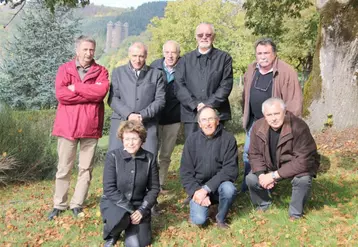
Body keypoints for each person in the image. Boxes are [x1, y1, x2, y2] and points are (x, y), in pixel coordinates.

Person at [48, 35, 109, 220]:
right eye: (85, 49)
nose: (88, 53)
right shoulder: (64, 69)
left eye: (91, 49)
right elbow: (61, 95)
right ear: (77, 50)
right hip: (67, 127)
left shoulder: (101, 71)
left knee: (85, 168)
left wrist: (76, 88)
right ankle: (59, 204)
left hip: (90, 126)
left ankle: (77, 203)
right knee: (63, 168)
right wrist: (87, 92)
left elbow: (100, 93)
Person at [241, 38, 303, 192]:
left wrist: (286, 125)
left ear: (274, 54)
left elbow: (294, 102)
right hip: (254, 121)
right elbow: (245, 96)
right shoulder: (251, 69)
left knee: (269, 155)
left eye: (266, 53)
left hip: (275, 122)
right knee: (249, 153)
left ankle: (269, 185)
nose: (263, 56)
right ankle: (249, 185)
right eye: (259, 53)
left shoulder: (286, 71)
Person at [246, 98, 320, 220]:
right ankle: (263, 204)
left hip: (294, 166)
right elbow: (254, 154)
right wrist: (261, 175)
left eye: (277, 113)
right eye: (269, 115)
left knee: (303, 180)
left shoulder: (298, 126)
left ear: (284, 112)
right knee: (251, 178)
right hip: (270, 164)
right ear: (265, 115)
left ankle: (295, 213)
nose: (273, 118)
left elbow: (304, 160)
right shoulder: (258, 127)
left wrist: (274, 176)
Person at [100, 121, 160, 247]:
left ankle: (129, 228)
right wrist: (132, 211)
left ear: (141, 139)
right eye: (127, 138)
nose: (130, 143)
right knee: (121, 218)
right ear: (122, 139)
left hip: (139, 205)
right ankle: (112, 233)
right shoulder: (113, 156)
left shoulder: (150, 158)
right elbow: (109, 189)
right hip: (115, 203)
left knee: (140, 243)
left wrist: (142, 210)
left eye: (134, 138)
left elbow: (154, 188)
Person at [180, 106, 238, 229]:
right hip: (198, 187)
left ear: (217, 121)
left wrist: (206, 189)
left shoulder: (228, 139)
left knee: (229, 189)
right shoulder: (191, 140)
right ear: (199, 124)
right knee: (199, 220)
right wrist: (196, 191)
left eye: (211, 119)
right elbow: (186, 172)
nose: (207, 123)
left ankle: (221, 218)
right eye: (204, 120)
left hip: (219, 186)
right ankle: (198, 204)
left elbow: (230, 170)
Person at [175, 23, 233, 139]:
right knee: (193, 149)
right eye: (200, 35)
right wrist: (195, 104)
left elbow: (226, 85)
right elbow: (179, 86)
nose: (204, 37)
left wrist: (208, 104)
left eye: (208, 34)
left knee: (216, 148)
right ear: (196, 37)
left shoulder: (224, 58)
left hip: (217, 113)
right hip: (191, 115)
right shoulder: (185, 60)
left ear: (214, 36)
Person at [108, 42, 165, 156]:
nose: (137, 60)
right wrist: (129, 114)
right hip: (121, 121)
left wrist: (142, 115)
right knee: (116, 158)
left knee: (150, 159)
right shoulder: (118, 72)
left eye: (141, 56)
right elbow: (113, 98)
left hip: (147, 123)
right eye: (134, 56)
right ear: (129, 55)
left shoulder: (156, 74)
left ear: (146, 56)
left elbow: (160, 100)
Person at [150, 40, 181, 192]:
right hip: (154, 118)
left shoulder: (184, 67)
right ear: (163, 53)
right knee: (151, 152)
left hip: (174, 118)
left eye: (173, 52)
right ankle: (151, 184)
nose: (170, 55)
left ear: (178, 54)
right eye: (167, 52)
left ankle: (161, 184)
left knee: (166, 154)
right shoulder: (154, 66)